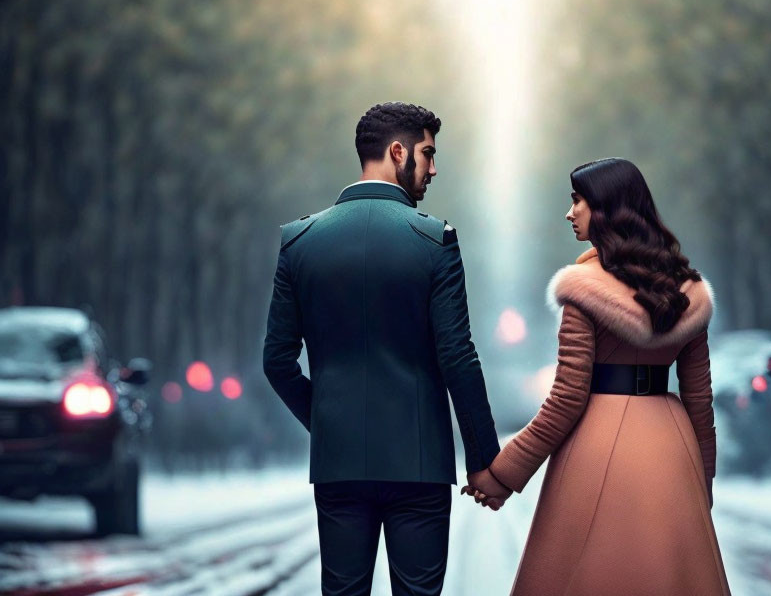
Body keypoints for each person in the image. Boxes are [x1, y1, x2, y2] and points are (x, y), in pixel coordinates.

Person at [262, 102, 505, 596]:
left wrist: (330, 422)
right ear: (397, 152)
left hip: (339, 463)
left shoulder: (299, 242)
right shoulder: (435, 242)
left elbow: (276, 361)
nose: (433, 169)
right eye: (428, 154)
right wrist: (484, 460)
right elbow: (458, 356)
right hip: (419, 464)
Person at [464, 158, 732, 595]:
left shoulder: (584, 289)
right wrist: (702, 484)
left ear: (606, 208)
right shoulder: (687, 291)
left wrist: (502, 474)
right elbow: (700, 400)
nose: (570, 213)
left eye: (577, 201)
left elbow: (567, 398)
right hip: (671, 446)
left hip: (597, 443)